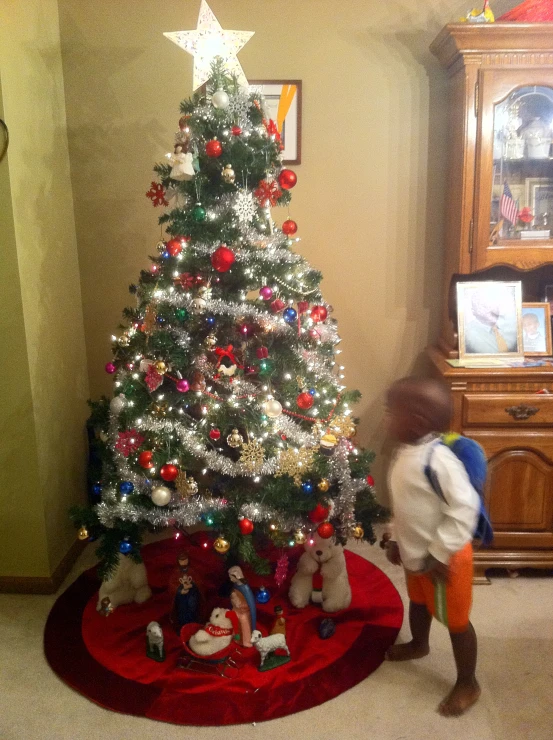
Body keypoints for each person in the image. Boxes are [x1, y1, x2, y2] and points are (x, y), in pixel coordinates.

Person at [383, 377, 481, 717]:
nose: (386, 420)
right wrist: (395, 537)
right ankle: (420, 644)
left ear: (417, 422)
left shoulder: (439, 461)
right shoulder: (405, 453)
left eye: (391, 413)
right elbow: (405, 504)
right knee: (419, 602)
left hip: (446, 558)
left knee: (456, 622)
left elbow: (464, 509)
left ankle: (468, 682)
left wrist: (440, 553)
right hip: (416, 552)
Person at [464, 288, 518, 354]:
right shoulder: (469, 334)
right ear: (473, 311)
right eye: (484, 306)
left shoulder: (511, 325)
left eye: (494, 305)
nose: (491, 309)